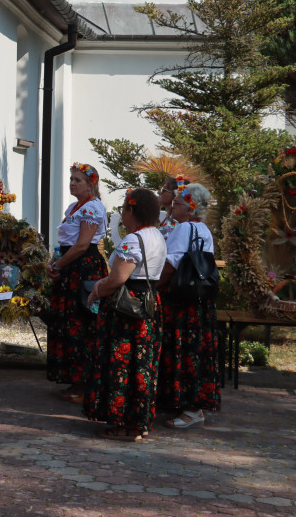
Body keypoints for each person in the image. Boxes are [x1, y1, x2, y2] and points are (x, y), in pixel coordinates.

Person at [84, 188, 166, 442]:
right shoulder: (157, 236)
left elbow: (118, 277)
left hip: (127, 307)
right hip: (148, 302)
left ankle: (125, 424)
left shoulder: (134, 239)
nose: (121, 213)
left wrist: (97, 290)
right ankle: (138, 421)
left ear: (132, 211)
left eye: (124, 208)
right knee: (142, 365)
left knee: (123, 363)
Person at [157, 183, 220, 428]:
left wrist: (156, 286)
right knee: (197, 352)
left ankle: (191, 409)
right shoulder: (204, 230)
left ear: (191, 208)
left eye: (179, 203)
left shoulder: (184, 229)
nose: (173, 205)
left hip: (182, 301)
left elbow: (171, 265)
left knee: (183, 351)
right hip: (200, 302)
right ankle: (192, 405)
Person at [44, 163, 109, 402]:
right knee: (66, 320)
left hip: (84, 268)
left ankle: (84, 382)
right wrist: (54, 262)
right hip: (70, 266)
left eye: (77, 180)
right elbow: (65, 241)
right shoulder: (74, 207)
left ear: (91, 184)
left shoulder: (93, 207)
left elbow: (82, 244)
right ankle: (73, 378)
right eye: (71, 179)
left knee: (81, 322)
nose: (72, 183)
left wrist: (58, 265)